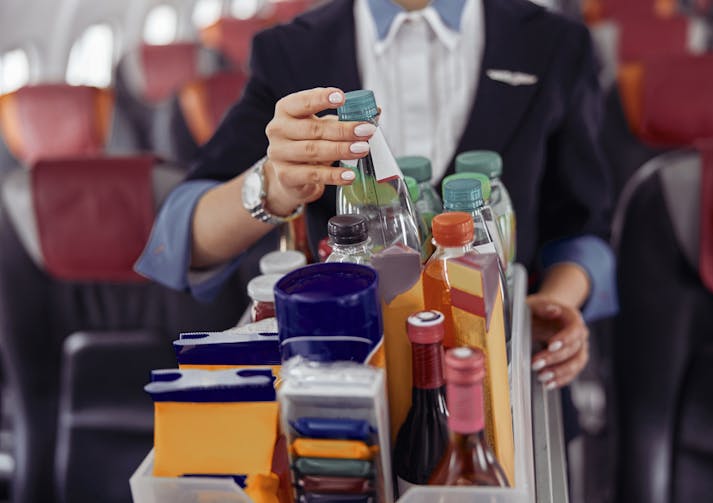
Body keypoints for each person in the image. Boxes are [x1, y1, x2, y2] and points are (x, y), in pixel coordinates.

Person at [136, 0, 618, 392]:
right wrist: (274, 183)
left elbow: (584, 228)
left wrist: (556, 301)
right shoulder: (292, 50)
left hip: (503, 361)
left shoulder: (553, 43)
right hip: (344, 369)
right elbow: (184, 235)